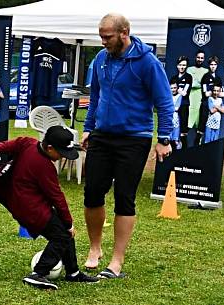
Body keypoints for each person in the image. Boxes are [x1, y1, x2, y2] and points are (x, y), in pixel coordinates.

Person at [82, 13, 173, 279]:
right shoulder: (100, 60)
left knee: (124, 197)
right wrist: (89, 128)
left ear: (124, 33)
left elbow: (165, 102)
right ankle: (95, 248)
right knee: (92, 193)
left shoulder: (147, 62)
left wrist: (164, 138)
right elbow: (96, 96)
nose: (103, 42)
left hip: (135, 137)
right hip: (102, 135)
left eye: (107, 37)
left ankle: (116, 261)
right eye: (101, 37)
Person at [0, 126, 99, 290]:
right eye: (60, 153)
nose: (61, 157)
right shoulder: (45, 167)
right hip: (31, 211)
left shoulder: (27, 143)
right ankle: (38, 274)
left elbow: (2, 146)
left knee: (64, 234)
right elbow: (57, 197)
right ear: (50, 147)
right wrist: (69, 224)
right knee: (62, 236)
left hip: (26, 205)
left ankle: (73, 273)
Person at [197, 56, 221, 146]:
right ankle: (199, 144)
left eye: (215, 64)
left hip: (215, 105)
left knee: (214, 128)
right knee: (202, 126)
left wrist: (213, 92)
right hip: (206, 104)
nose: (213, 66)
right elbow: (205, 93)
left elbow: (222, 94)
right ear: (209, 65)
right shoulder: (205, 77)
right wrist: (215, 93)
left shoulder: (218, 78)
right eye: (211, 64)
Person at [170, 56, 192, 147]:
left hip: (183, 106)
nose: (182, 67)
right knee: (172, 130)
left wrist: (177, 90)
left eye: (184, 65)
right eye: (180, 65)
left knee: (183, 131)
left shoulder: (188, 77)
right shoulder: (174, 78)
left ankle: (184, 154)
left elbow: (184, 93)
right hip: (173, 107)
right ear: (177, 66)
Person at [186, 50, 208, 137]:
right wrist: (198, 83)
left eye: (202, 58)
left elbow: (204, 84)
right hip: (190, 98)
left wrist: (197, 83)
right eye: (198, 57)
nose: (200, 59)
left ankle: (197, 143)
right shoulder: (189, 69)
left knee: (199, 122)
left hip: (200, 98)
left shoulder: (206, 71)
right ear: (195, 58)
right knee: (187, 121)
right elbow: (191, 83)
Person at [169, 80, 183, 149]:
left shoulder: (179, 96)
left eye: (175, 88)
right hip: (168, 120)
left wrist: (169, 108)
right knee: (168, 140)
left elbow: (177, 108)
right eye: (171, 88)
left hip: (175, 120)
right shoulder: (167, 96)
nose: (173, 90)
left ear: (177, 88)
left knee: (175, 140)